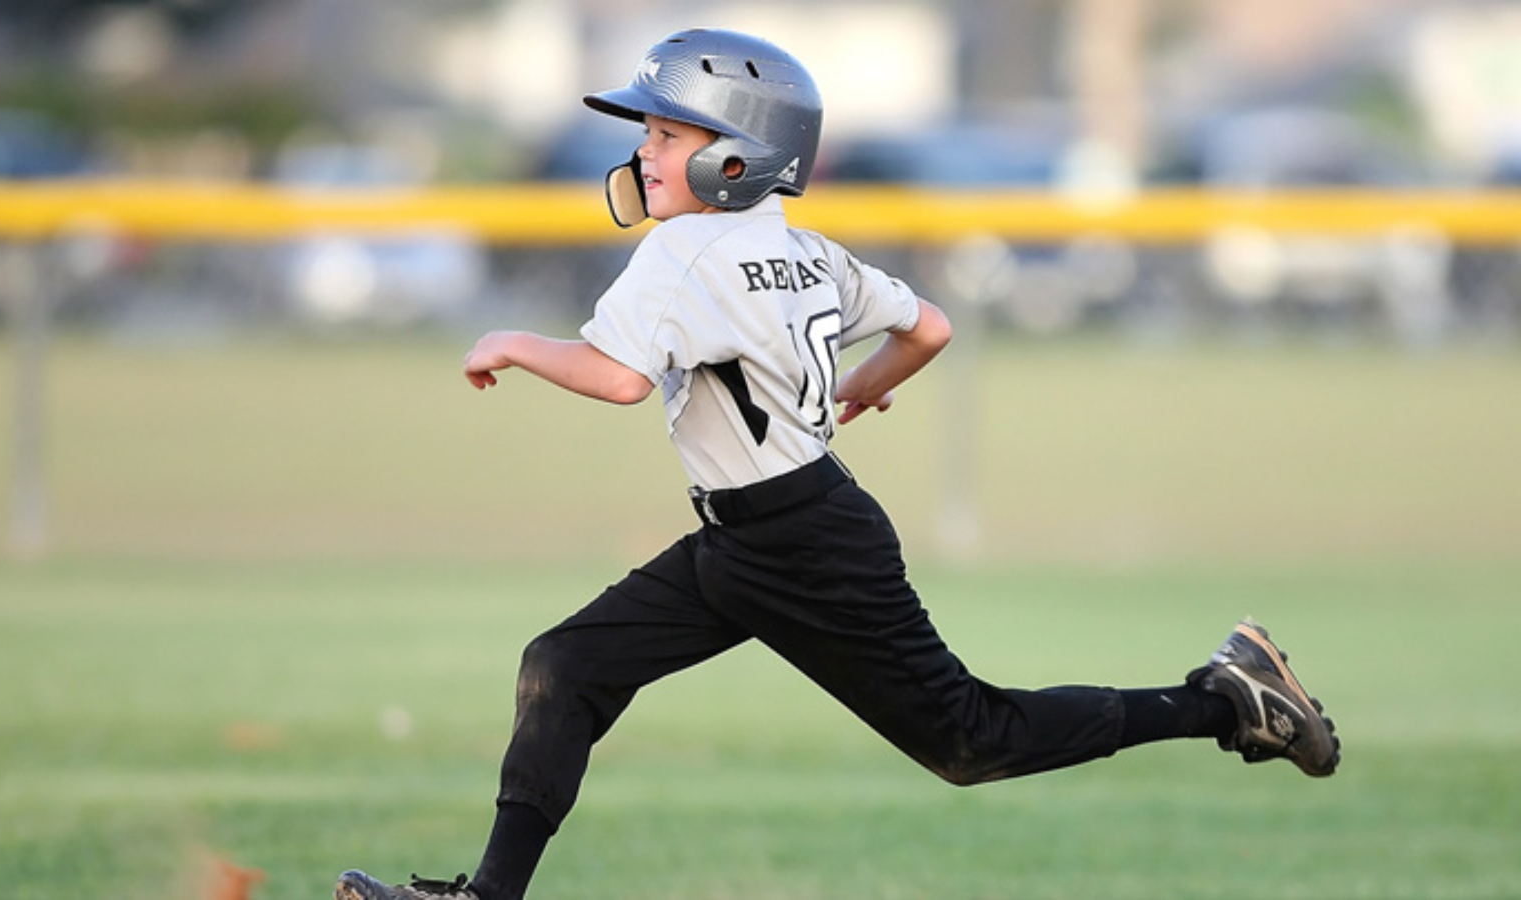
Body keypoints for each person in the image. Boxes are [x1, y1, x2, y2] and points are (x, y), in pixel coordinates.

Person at [335, 28, 1339, 900]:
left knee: (971, 740)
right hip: (758, 533)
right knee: (568, 666)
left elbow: (616, 380)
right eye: (645, 131)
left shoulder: (683, 255)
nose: (643, 152)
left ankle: (1226, 699)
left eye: (666, 133)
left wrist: (512, 340)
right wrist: (856, 387)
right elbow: (928, 326)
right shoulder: (806, 248)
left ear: (737, 158)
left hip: (802, 546)